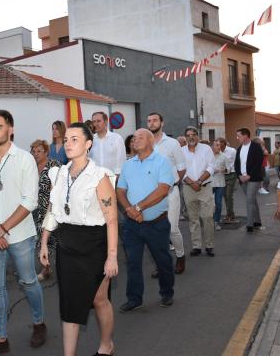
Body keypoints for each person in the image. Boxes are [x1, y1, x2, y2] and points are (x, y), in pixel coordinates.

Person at [0, 110, 46, 356]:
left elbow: (30, 201)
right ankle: (0, 338)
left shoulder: (25, 159)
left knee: (28, 281)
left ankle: (39, 323)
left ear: (11, 129)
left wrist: (2, 229)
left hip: (21, 235)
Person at [40, 122, 118, 356]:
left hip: (95, 244)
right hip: (67, 243)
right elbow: (53, 209)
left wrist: (112, 257)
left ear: (88, 144)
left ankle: (106, 345)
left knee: (99, 299)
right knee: (70, 304)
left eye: (75, 139)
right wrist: (44, 241)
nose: (68, 144)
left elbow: (112, 219)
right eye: (66, 140)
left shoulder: (99, 177)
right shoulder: (59, 173)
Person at [117, 128, 175, 313]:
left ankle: (167, 293)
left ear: (151, 141)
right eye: (134, 137)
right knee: (133, 262)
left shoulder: (162, 162)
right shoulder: (127, 164)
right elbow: (120, 190)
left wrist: (138, 207)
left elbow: (163, 190)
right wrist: (129, 210)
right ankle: (134, 298)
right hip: (132, 225)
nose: (135, 139)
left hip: (156, 224)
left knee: (162, 260)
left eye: (140, 137)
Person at [147, 112, 187, 274]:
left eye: (155, 120)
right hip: (151, 195)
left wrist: (174, 183)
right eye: (149, 121)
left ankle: (180, 256)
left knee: (171, 228)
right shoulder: (145, 144)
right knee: (155, 231)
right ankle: (161, 263)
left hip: (170, 193)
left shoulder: (172, 144)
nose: (151, 123)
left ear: (162, 123)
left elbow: (182, 168)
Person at [182, 126, 216, 256]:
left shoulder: (206, 149)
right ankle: (196, 246)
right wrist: (192, 183)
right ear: (185, 138)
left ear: (198, 136)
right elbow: (180, 169)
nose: (191, 137)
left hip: (205, 187)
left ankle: (209, 245)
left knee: (207, 217)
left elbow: (211, 166)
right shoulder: (181, 151)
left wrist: (200, 181)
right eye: (188, 135)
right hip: (188, 188)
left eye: (193, 134)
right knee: (193, 218)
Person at [30, 139, 61, 281]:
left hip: (51, 208)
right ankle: (46, 267)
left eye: (39, 151)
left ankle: (48, 269)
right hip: (35, 209)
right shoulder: (31, 167)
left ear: (46, 152)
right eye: (33, 151)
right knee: (41, 239)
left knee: (51, 239)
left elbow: (59, 187)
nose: (35, 154)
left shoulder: (53, 165)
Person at [235, 128, 265, 233]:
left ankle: (250, 224)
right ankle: (258, 221)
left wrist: (249, 175)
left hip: (254, 178)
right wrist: (239, 175)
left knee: (249, 200)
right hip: (242, 179)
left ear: (246, 136)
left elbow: (258, 162)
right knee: (252, 200)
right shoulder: (239, 148)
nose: (237, 138)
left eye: (239, 135)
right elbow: (236, 164)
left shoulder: (256, 147)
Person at [89, 111, 127, 176]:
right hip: (95, 180)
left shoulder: (117, 138)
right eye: (94, 122)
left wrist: (116, 178)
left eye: (98, 121)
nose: (95, 124)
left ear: (106, 122)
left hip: (112, 179)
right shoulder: (90, 140)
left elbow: (121, 161)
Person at [217, 137, 238, 222]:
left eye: (219, 144)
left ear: (223, 143)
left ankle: (230, 215)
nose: (217, 146)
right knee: (225, 195)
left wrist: (228, 169)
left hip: (231, 174)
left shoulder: (232, 151)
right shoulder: (217, 151)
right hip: (221, 175)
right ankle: (230, 214)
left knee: (229, 195)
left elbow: (236, 162)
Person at [212, 141, 227, 231]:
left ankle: (216, 221)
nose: (219, 147)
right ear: (212, 147)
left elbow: (228, 169)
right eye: (217, 145)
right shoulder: (208, 156)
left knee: (218, 204)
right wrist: (213, 171)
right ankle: (209, 221)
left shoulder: (224, 156)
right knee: (208, 204)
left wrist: (224, 170)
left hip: (220, 183)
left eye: (220, 145)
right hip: (209, 183)